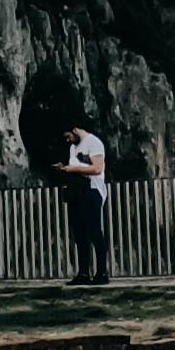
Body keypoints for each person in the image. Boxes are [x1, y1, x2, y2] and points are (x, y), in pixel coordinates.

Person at [60, 122, 111, 284]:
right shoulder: (73, 148)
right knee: (80, 233)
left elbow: (97, 168)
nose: (67, 140)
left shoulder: (93, 142)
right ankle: (83, 272)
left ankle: (102, 272)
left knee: (95, 231)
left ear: (75, 130)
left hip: (92, 189)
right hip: (77, 191)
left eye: (68, 136)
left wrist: (73, 169)